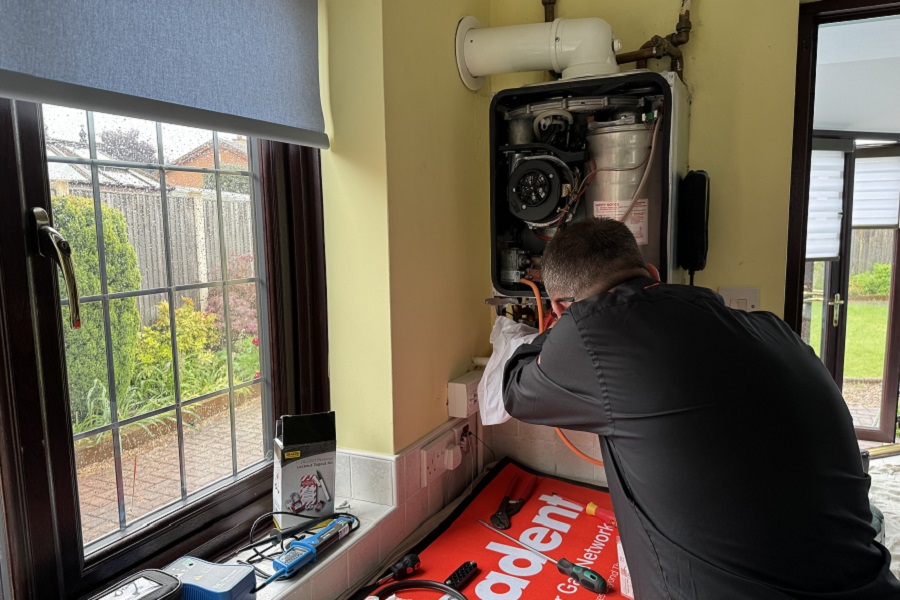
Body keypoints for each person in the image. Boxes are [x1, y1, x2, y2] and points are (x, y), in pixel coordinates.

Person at [502, 218, 900, 599]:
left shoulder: (591, 332)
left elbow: (515, 388)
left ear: (558, 307)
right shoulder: (773, 329)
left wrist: (563, 325)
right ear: (654, 274)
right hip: (868, 581)